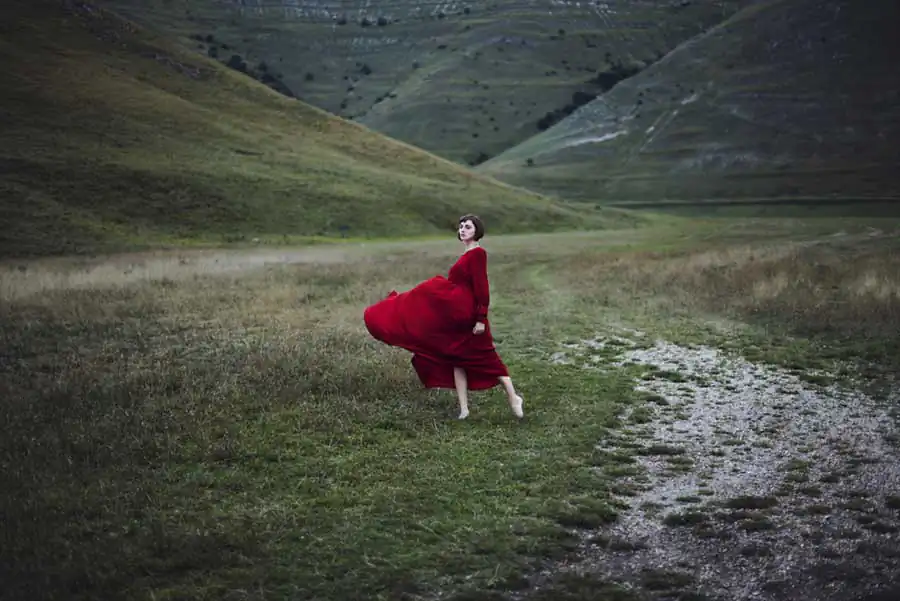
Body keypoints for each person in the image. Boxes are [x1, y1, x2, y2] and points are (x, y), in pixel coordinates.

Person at [364, 214, 525, 420]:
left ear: (477, 231)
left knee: (486, 358)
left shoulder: (478, 253)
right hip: (455, 314)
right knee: (456, 359)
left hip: (469, 315)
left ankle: (513, 397)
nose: (463, 229)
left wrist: (480, 318)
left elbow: (482, 288)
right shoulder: (467, 253)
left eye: (468, 227)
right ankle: (464, 409)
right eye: (461, 226)